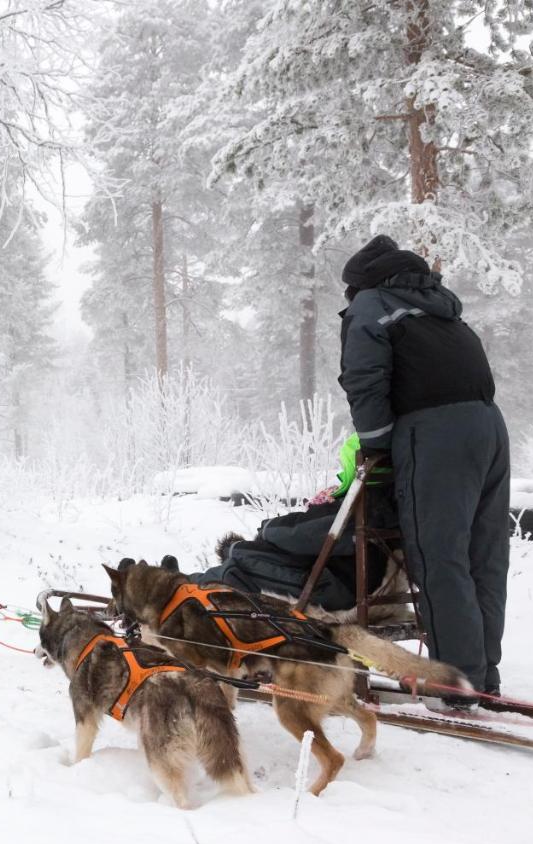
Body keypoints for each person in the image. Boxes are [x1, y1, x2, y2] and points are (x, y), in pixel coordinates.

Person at [338, 234, 508, 703]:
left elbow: (364, 379)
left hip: (434, 432)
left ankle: (455, 681)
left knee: (438, 557)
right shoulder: (440, 307)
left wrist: (375, 445)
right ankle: (483, 672)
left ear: (360, 281)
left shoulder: (370, 304)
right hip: (489, 425)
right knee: (484, 554)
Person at [192, 434, 398, 611]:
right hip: (344, 580)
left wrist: (266, 529)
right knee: (250, 557)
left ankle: (189, 587)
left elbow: (300, 533)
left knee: (240, 567)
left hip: (332, 589)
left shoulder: (364, 507)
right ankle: (200, 576)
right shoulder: (385, 503)